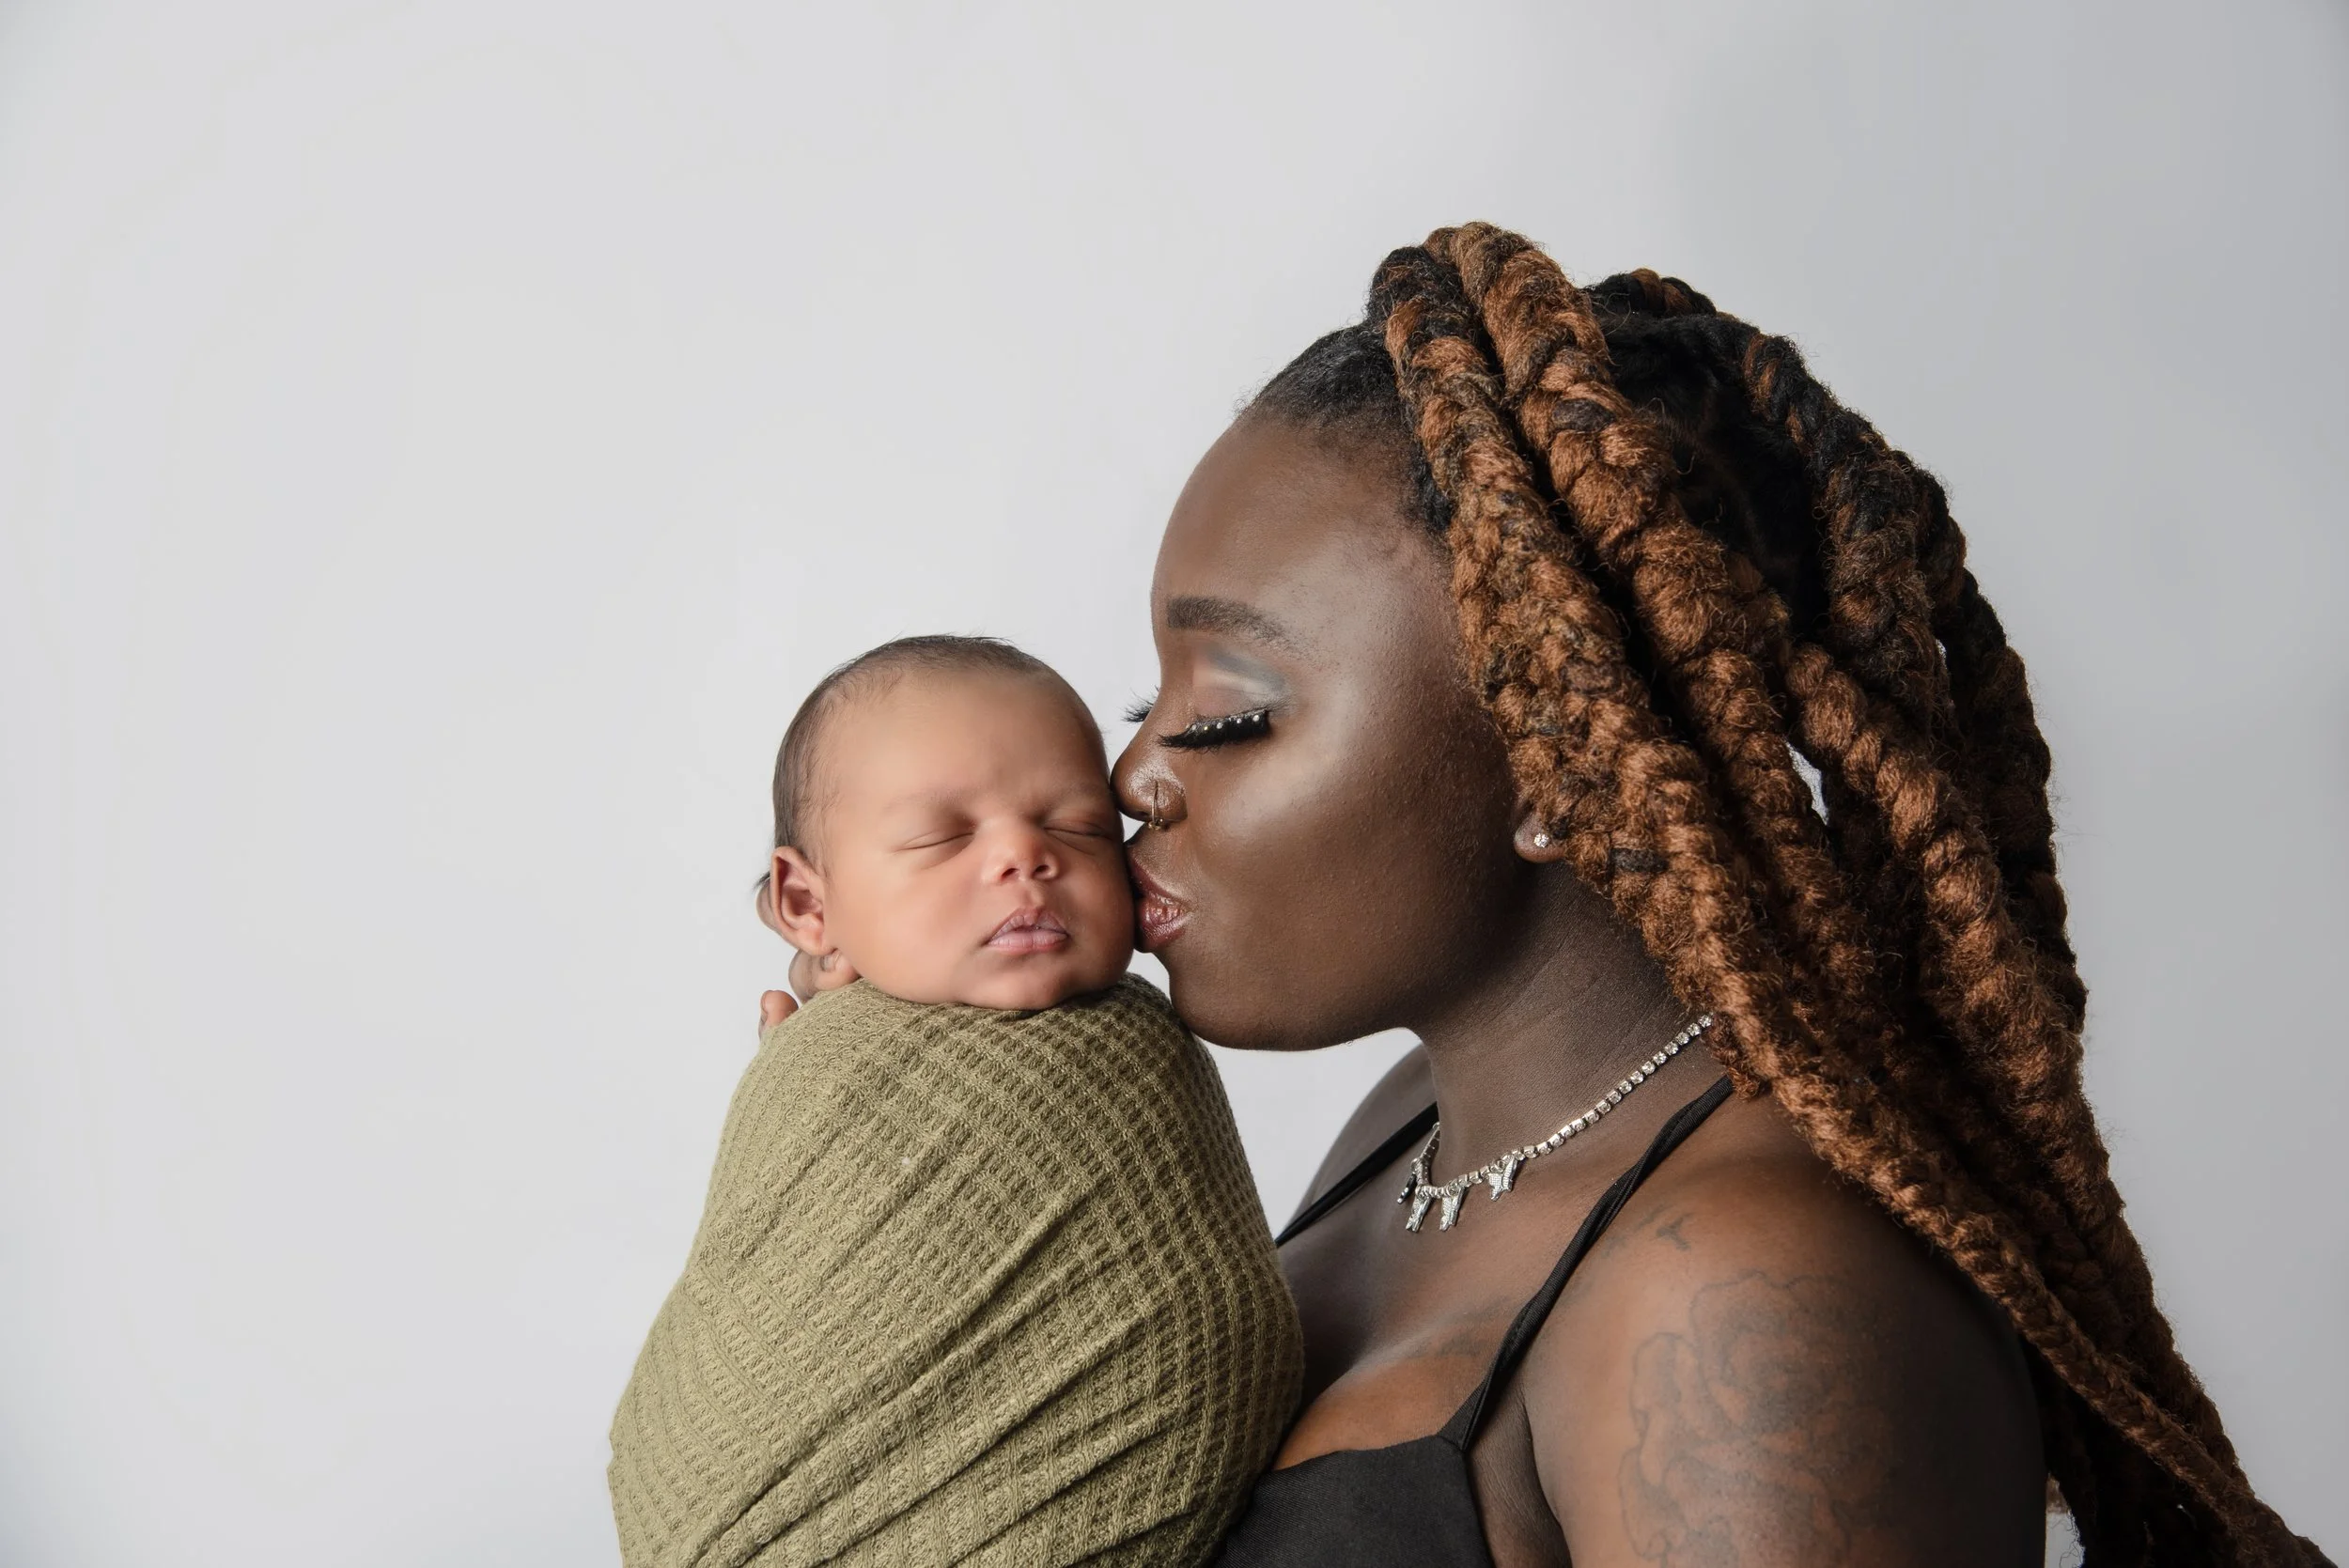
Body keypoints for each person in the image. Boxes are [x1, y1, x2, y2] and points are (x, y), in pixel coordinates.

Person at [1078, 225, 2321, 1565]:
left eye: (1227, 714)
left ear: (1559, 760)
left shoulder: (1744, 1294)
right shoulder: (1422, 1129)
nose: (1135, 772)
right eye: (1151, 701)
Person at [614, 636, 1300, 1567]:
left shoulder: (1139, 1057)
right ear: (810, 907)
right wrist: (819, 1099)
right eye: (943, 837)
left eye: (1079, 827)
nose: (1025, 857)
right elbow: (767, 1315)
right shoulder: (816, 1063)